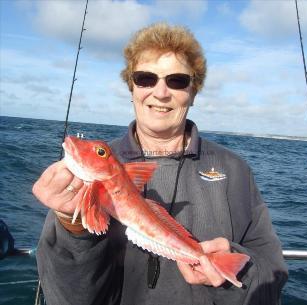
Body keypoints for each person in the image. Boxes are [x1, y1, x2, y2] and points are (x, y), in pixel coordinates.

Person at [33, 23, 288, 305]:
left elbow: (271, 280)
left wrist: (235, 269)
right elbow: (65, 297)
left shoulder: (234, 169)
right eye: (145, 78)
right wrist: (73, 226)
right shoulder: (82, 182)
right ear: (131, 87)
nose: (161, 92)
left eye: (177, 80)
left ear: (193, 91)